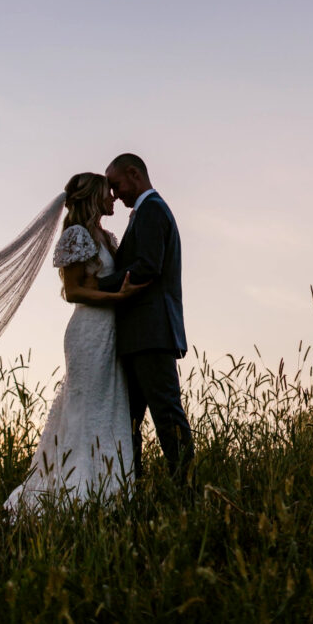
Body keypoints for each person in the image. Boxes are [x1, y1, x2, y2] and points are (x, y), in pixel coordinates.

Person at [3, 172, 145, 515]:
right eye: (107, 193)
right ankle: (74, 491)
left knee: (110, 406)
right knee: (87, 408)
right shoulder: (77, 234)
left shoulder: (104, 236)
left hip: (110, 331)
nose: (113, 197)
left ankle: (108, 490)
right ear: (94, 197)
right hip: (88, 331)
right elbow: (72, 291)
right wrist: (117, 296)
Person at [96, 154, 194, 485]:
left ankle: (186, 490)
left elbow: (147, 267)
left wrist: (95, 285)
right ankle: (132, 489)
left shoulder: (152, 210)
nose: (114, 194)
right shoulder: (144, 212)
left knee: (166, 413)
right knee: (131, 420)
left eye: (116, 185)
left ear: (134, 174)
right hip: (139, 334)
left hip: (151, 333)